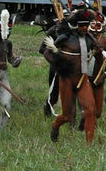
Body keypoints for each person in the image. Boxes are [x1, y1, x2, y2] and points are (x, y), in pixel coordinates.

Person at [41, 8, 102, 144]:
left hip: (82, 79)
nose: (85, 28)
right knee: (67, 116)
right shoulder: (65, 38)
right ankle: (56, 125)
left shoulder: (89, 39)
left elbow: (97, 54)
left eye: (87, 25)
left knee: (90, 110)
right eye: (82, 25)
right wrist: (59, 65)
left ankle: (89, 145)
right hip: (67, 79)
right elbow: (47, 52)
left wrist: (98, 49)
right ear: (76, 25)